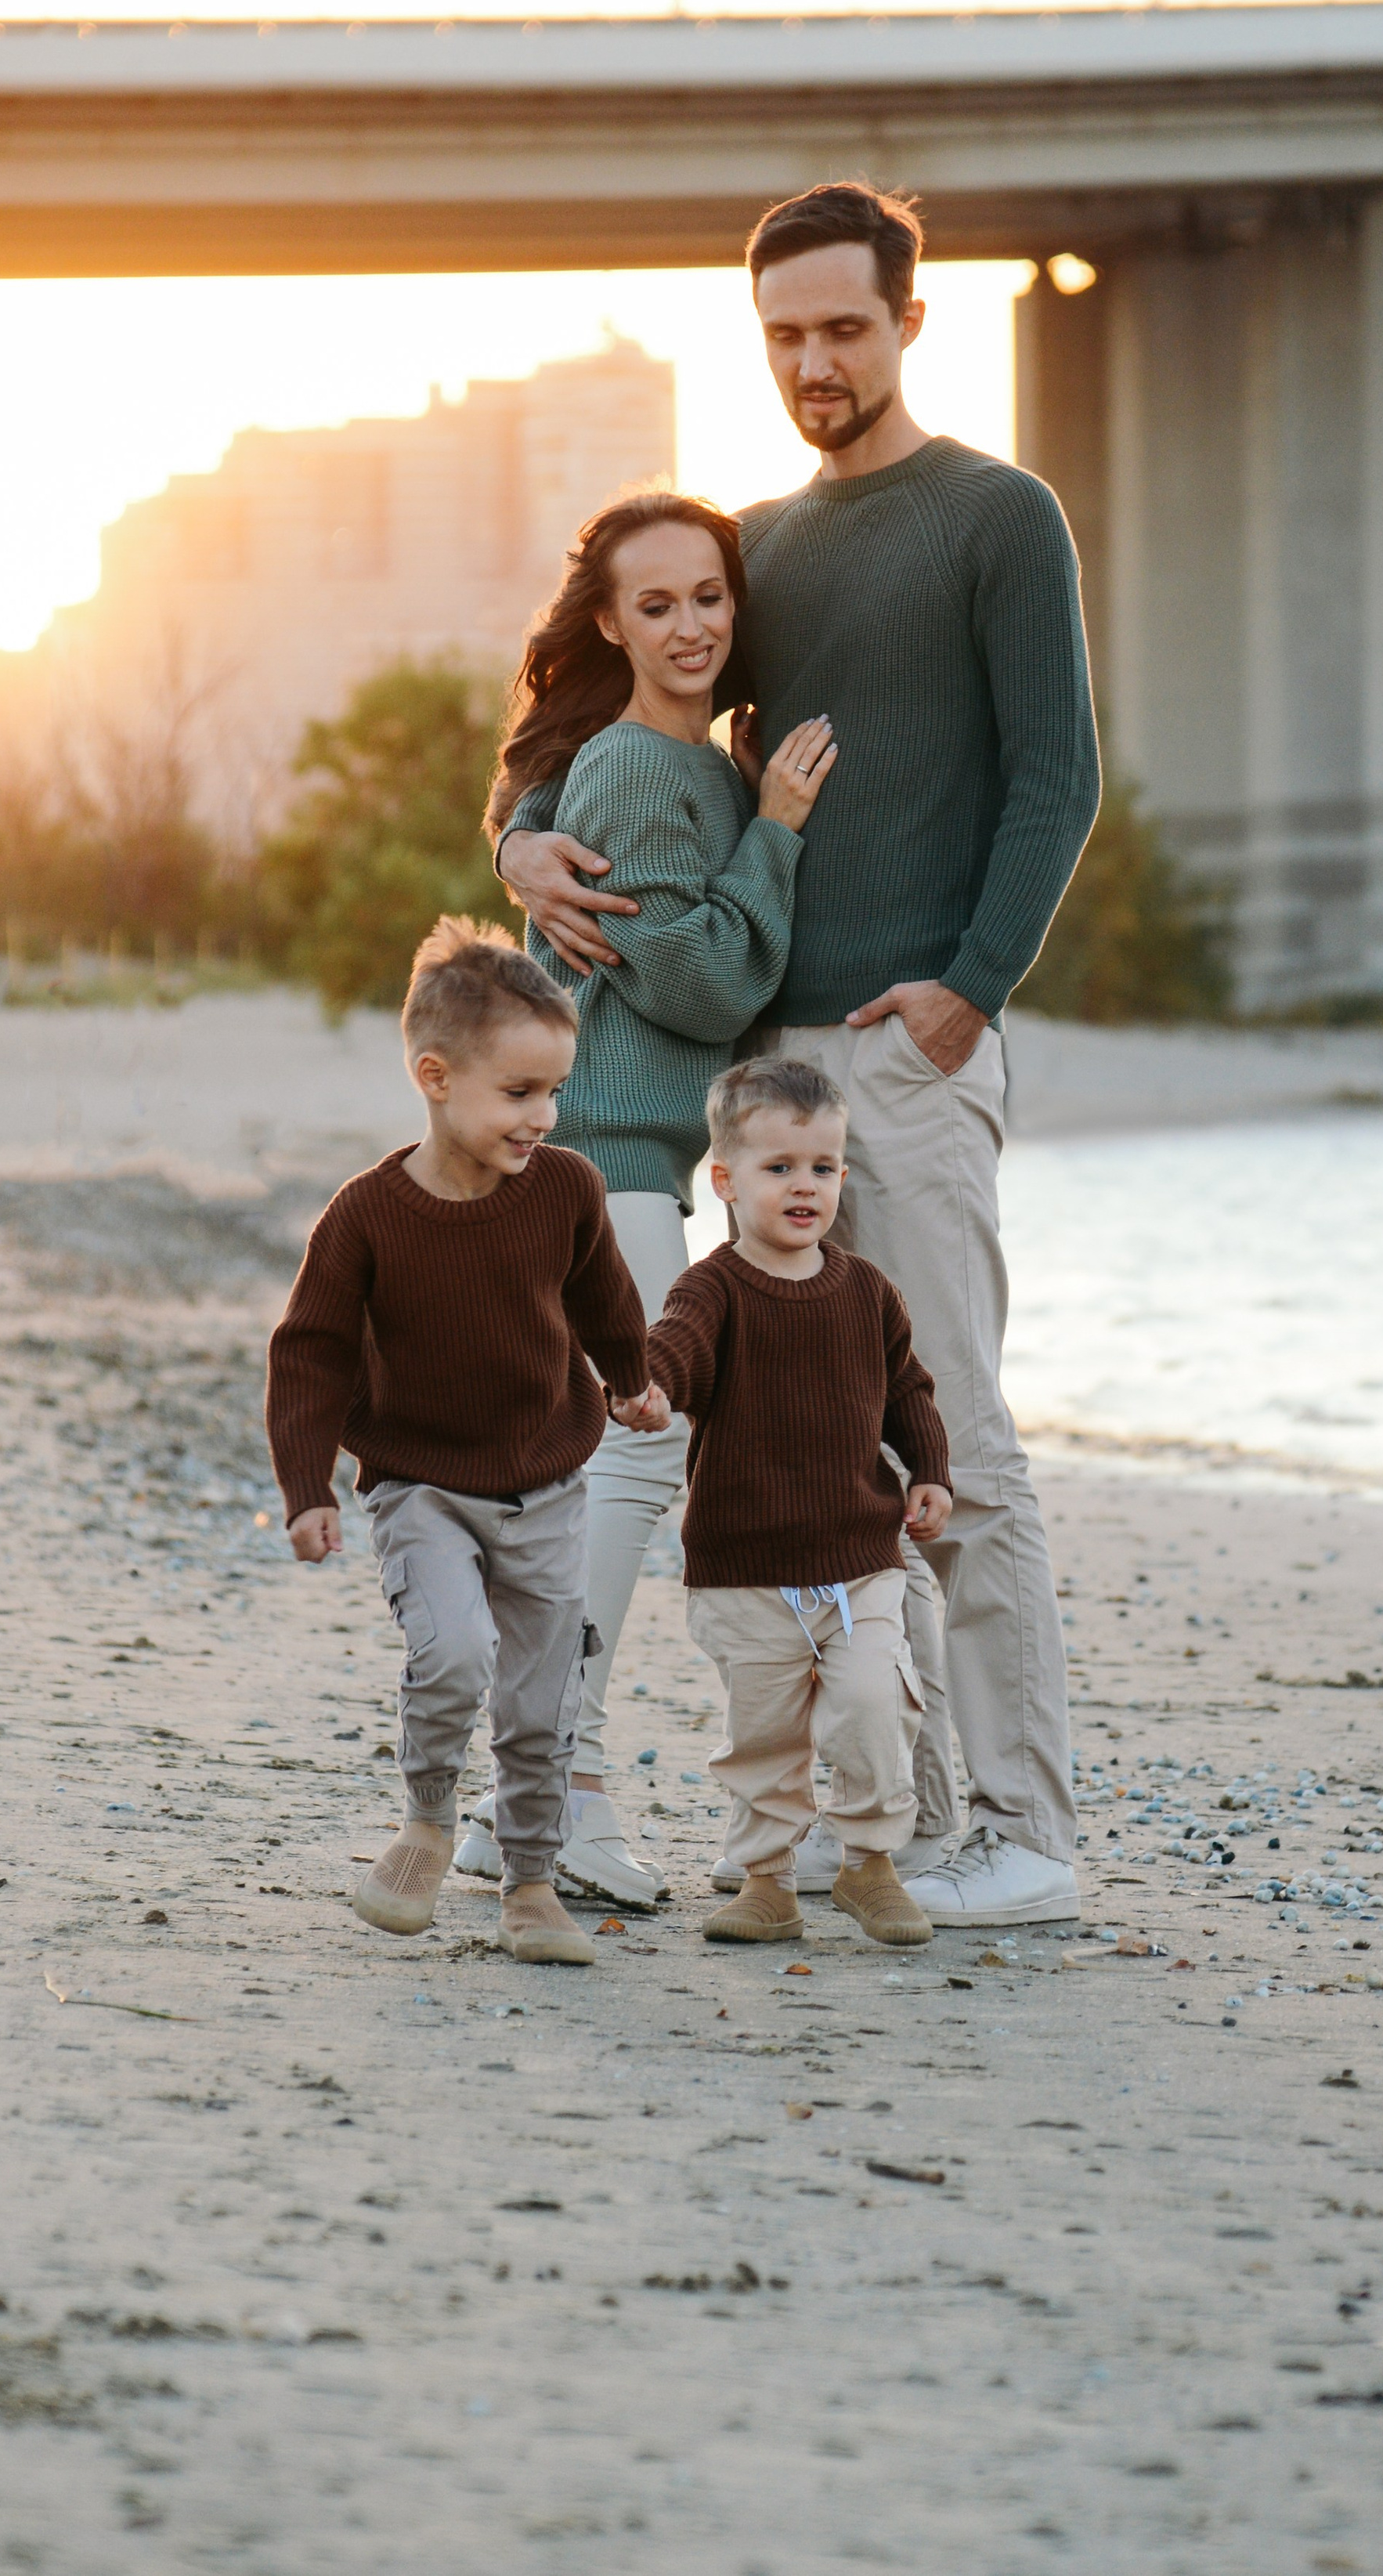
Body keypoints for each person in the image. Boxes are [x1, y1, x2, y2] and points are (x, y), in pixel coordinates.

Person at [497, 180, 1101, 1928]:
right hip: (749, 1074)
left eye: (843, 327)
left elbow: (1054, 774)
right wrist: (521, 840)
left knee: (951, 1439)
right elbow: (616, 697)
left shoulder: (998, 517)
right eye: (783, 336)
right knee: (817, 1458)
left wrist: (969, 988)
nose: (814, 362)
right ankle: (899, 1827)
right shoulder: (761, 544)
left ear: (910, 322)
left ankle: (1026, 1831)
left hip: (903, 1060)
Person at [457, 490, 839, 1909]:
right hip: (607, 1156)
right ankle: (553, 1783)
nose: (692, 626)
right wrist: (784, 828)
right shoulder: (633, 770)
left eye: (711, 598)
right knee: (627, 1460)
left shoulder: (690, 770)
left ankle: (538, 1794)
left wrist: (756, 814)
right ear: (608, 622)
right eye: (658, 603)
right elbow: (701, 979)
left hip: (632, 1166)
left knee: (597, 1474)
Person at [264, 918, 660, 1964]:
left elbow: (605, 1299)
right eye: (519, 1093)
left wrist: (634, 1382)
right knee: (452, 1652)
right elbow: (310, 1354)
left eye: (554, 1091)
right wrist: (309, 1488)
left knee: (542, 1701)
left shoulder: (567, 1190)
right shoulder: (366, 1218)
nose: (545, 1116)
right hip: (422, 1488)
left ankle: (531, 1883)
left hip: (547, 1486)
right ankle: (430, 1819)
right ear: (436, 1078)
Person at [645, 1057, 948, 1950]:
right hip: (744, 1570)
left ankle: (868, 1865)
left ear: (842, 1175)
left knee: (870, 1703)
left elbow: (910, 1391)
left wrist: (928, 1468)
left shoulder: (866, 1292)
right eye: (779, 1169)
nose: (803, 1186)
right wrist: (650, 1387)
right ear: (727, 1181)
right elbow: (676, 1350)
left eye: (821, 1167)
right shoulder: (714, 1291)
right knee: (765, 1738)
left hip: (858, 1556)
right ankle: (767, 1882)